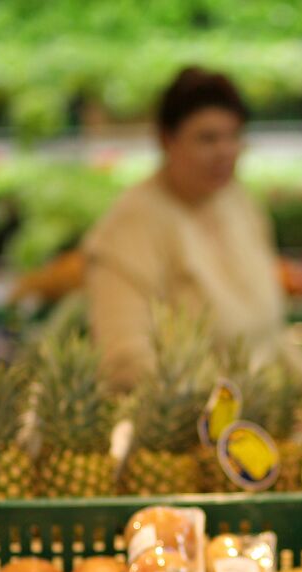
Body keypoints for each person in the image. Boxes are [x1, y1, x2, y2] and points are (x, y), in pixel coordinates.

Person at [80, 67, 284, 392]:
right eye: (207, 138)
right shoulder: (131, 223)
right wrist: (215, 404)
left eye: (234, 137)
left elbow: (272, 341)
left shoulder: (237, 201)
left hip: (262, 413)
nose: (224, 152)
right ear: (165, 140)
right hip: (186, 426)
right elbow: (123, 358)